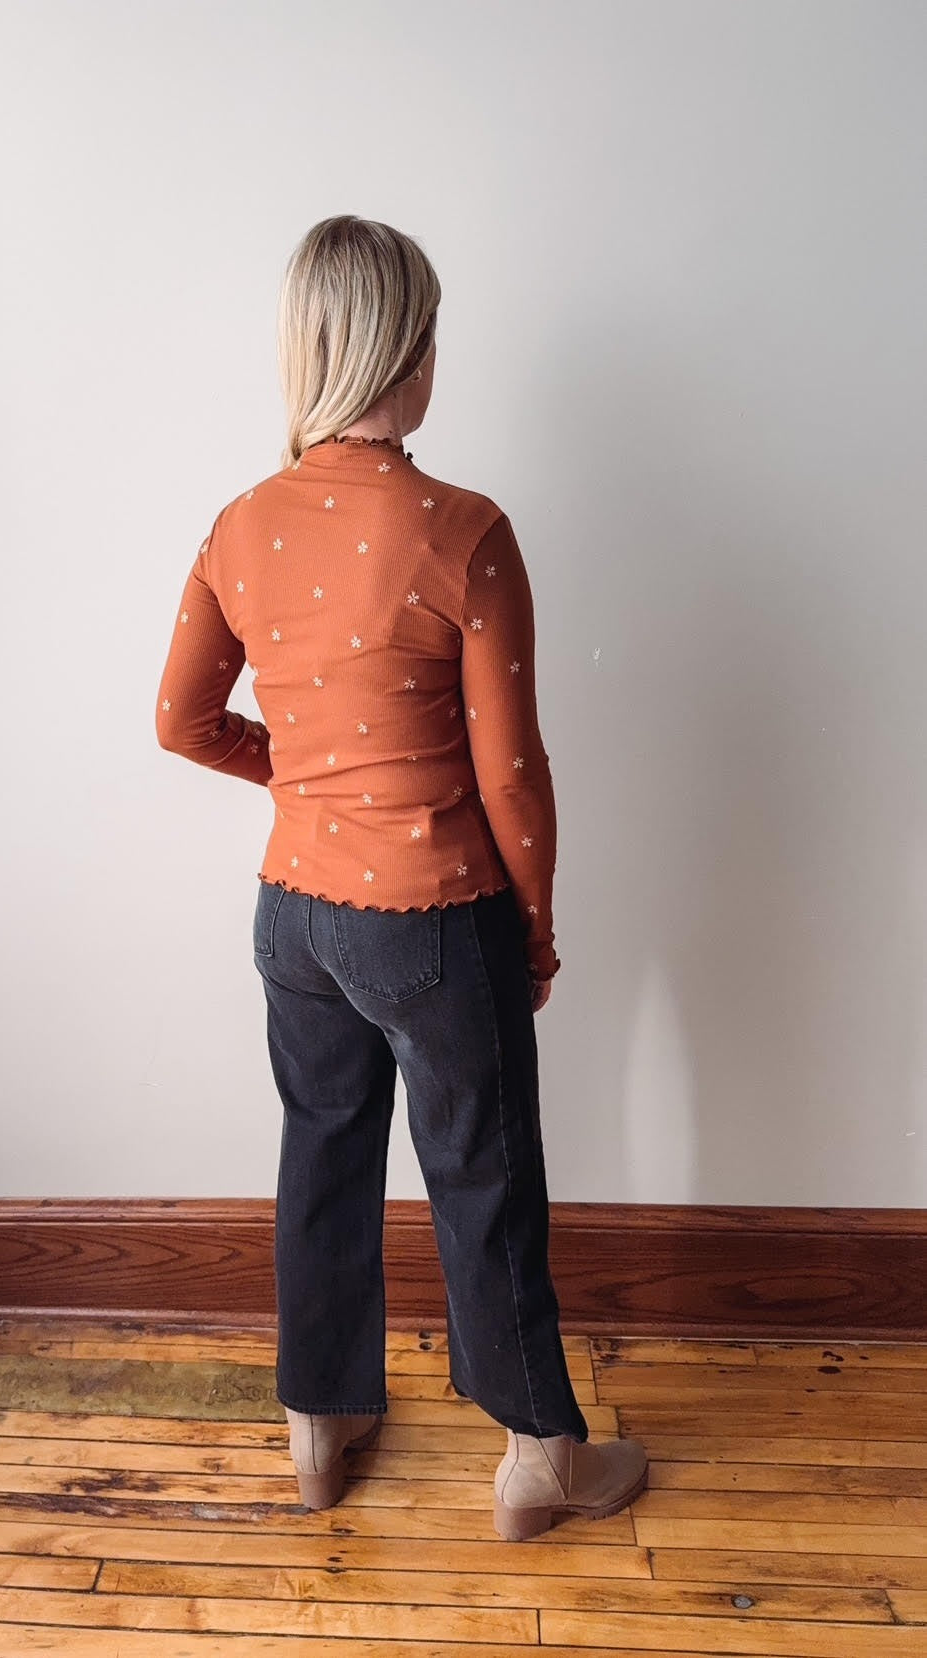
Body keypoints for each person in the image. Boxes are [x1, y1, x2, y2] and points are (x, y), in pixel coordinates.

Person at [155, 214, 647, 1542]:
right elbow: (514, 777)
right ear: (407, 355)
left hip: (294, 916)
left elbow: (182, 720)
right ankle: (541, 1450)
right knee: (480, 1171)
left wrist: (303, 773)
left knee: (323, 1151)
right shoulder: (466, 532)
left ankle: (321, 1427)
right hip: (435, 917)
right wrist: (534, 929)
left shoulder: (240, 524)